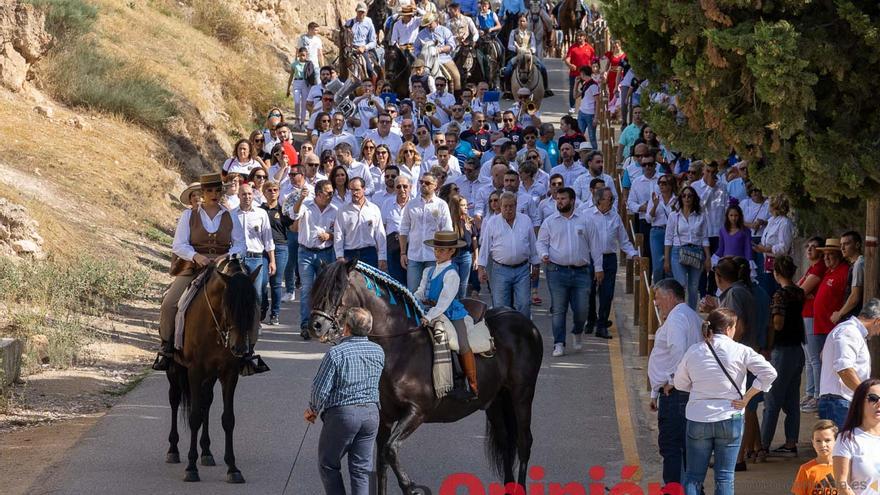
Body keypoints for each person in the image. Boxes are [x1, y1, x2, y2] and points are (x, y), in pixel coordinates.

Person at [674, 308, 777, 495]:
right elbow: (770, 373)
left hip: (699, 417)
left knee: (694, 477)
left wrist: (700, 390)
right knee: (724, 477)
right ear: (729, 328)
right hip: (730, 416)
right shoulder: (741, 350)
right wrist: (747, 397)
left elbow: (680, 383)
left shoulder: (694, 351)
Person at [153, 173, 247, 370]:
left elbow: (241, 245)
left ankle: (247, 350)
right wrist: (196, 256)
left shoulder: (231, 215)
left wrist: (226, 256)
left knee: (249, 301)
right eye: (209, 190)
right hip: (194, 266)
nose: (214, 194)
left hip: (224, 267)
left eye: (217, 190)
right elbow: (178, 245)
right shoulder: (189, 215)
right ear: (202, 193)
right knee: (170, 304)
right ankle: (167, 348)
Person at [305, 307, 384, 495]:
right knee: (361, 469)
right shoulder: (378, 351)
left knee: (329, 464)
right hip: (371, 414)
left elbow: (320, 387)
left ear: (346, 328)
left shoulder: (337, 353)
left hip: (343, 414)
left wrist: (313, 410)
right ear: (369, 329)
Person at [648, 279, 704, 488]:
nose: (655, 302)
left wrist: (671, 380)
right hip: (682, 392)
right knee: (686, 447)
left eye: (658, 298)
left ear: (670, 296)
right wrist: (655, 392)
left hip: (677, 394)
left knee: (672, 446)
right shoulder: (688, 316)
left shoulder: (677, 318)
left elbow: (679, 351)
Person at [537, 187, 602, 356]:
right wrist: (543, 254)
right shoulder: (549, 221)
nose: (559, 201)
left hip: (582, 272)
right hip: (557, 271)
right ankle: (559, 343)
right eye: (558, 199)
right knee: (559, 309)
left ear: (572, 200)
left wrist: (599, 268)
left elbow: (595, 246)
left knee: (581, 310)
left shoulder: (586, 220)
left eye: (563, 198)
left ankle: (577, 331)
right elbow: (541, 242)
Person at [415, 231, 480, 400]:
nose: (437, 252)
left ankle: (471, 383)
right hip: (428, 310)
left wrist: (429, 317)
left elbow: (444, 301)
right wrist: (412, 300)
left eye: (442, 250)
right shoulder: (428, 271)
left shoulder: (452, 274)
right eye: (436, 249)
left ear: (452, 251)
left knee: (461, 343)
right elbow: (421, 292)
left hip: (451, 313)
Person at [758, 255, 805, 460]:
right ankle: (790, 442)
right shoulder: (799, 292)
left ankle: (763, 445)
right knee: (792, 400)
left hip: (782, 350)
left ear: (776, 273)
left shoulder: (780, 295)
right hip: (797, 349)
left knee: (772, 401)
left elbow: (777, 324)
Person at [477, 191, 540, 318]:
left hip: (522, 269)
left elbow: (533, 245)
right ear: (500, 206)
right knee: (500, 307)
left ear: (516, 205)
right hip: (500, 270)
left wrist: (536, 266)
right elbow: (484, 248)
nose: (508, 209)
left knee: (524, 304)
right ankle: (503, 335)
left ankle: (524, 335)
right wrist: (481, 268)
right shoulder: (492, 223)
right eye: (505, 206)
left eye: (511, 206)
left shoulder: (525, 220)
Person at [818, 298, 880, 427]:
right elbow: (844, 369)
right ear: (877, 321)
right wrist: (867, 396)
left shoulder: (847, 331)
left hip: (840, 401)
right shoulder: (849, 332)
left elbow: (823, 356)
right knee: (843, 445)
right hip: (839, 402)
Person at [588, 186, 639, 339]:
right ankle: (591, 319)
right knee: (588, 292)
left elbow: (623, 240)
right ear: (599, 200)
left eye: (612, 198)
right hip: (590, 258)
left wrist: (633, 254)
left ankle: (602, 325)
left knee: (607, 293)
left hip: (609, 259)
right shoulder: (587, 215)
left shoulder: (615, 216)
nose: (611, 201)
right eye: (608, 198)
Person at [294, 180, 338, 339]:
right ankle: (305, 326)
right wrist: (300, 199)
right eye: (328, 193)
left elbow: (339, 234)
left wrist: (329, 236)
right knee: (307, 290)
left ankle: (322, 326)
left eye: (332, 193)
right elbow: (294, 214)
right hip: (305, 253)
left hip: (325, 254)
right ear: (318, 194)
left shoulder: (335, 210)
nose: (331, 195)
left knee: (324, 291)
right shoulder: (306, 205)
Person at [399, 172, 453, 291]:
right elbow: (403, 229)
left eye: (427, 183)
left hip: (434, 257)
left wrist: (445, 256)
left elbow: (447, 230)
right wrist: (403, 253)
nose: (423, 185)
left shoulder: (441, 205)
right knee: (413, 293)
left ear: (435, 185)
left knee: (432, 293)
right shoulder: (411, 204)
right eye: (421, 182)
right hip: (414, 256)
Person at [664, 186, 711, 309]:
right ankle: (679, 312)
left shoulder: (701, 216)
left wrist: (708, 258)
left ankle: (691, 313)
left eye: (690, 195)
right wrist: (667, 259)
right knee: (681, 284)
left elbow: (704, 238)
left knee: (694, 286)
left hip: (696, 251)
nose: (687, 198)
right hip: (678, 251)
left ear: (694, 198)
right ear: (680, 198)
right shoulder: (674, 216)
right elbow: (668, 238)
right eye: (684, 195)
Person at [233, 183, 276, 317]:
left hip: (256, 258)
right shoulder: (231, 214)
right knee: (238, 292)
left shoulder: (261, 213)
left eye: (250, 194)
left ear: (253, 195)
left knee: (257, 292)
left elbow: (268, 239)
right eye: (244, 194)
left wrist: (272, 261)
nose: (247, 197)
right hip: (237, 259)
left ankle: (255, 322)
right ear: (238, 195)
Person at [832, 378, 880, 495]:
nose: (879, 403)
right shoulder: (847, 439)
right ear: (859, 402)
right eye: (873, 398)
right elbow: (842, 484)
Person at [799, 237, 828, 413]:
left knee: (814, 359)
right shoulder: (812, 267)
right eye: (807, 246)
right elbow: (797, 290)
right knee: (809, 360)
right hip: (805, 314)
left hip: (811, 315)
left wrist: (802, 294)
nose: (809, 249)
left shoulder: (819, 268)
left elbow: (799, 291)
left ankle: (817, 395)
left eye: (814, 247)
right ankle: (810, 393)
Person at [814, 238, 852, 370]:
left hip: (831, 327)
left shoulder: (844, 271)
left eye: (830, 254)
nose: (826, 257)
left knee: (829, 365)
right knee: (819, 363)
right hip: (820, 326)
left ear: (839, 255)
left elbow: (849, 297)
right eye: (825, 254)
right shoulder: (829, 271)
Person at [334, 177, 387, 270]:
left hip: (369, 253)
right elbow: (339, 234)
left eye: (357, 190)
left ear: (364, 189)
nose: (354, 193)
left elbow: (380, 234)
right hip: (350, 253)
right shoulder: (343, 210)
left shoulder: (374, 209)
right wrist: (339, 256)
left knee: (370, 283)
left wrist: (382, 257)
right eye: (352, 190)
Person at [260, 181, 291, 326]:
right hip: (263, 248)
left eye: (275, 190)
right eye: (269, 190)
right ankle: (263, 305)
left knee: (276, 283)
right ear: (264, 192)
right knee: (262, 282)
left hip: (280, 247)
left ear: (279, 192)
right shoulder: (259, 210)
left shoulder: (283, 210)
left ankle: (275, 313)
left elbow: (292, 226)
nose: (272, 192)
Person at [501, 14, 551, 97]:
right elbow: (510, 45)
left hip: (528, 55)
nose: (522, 23)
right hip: (518, 55)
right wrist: (517, 49)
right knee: (508, 70)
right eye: (520, 21)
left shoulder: (530, 33)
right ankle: (508, 90)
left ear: (527, 23)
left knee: (542, 68)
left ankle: (546, 88)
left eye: (524, 21)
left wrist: (531, 50)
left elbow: (533, 46)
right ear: (518, 22)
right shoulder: (514, 32)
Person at [754, 194, 794, 295]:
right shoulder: (772, 220)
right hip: (768, 263)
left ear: (775, 206)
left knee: (776, 292)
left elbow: (784, 247)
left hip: (779, 265)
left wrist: (766, 249)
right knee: (767, 291)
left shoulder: (785, 223)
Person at [415, 15, 460, 95]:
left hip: (443, 58)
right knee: (412, 75)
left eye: (430, 24)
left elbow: (452, 45)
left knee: (456, 76)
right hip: (426, 60)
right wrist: (421, 56)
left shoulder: (444, 30)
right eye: (426, 24)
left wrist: (441, 49)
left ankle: (456, 97)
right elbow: (416, 48)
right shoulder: (421, 34)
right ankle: (412, 94)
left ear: (436, 21)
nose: (428, 26)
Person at [790, 420, 838, 495]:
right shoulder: (806, 469)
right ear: (813, 443)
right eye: (818, 441)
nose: (823, 445)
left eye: (827, 440)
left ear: (836, 441)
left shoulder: (844, 467)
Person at [646, 173, 676, 283]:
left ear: (671, 185)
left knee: (670, 265)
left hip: (672, 233)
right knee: (658, 266)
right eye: (660, 183)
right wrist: (655, 205)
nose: (661, 185)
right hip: (657, 232)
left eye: (664, 183)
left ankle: (670, 293)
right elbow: (648, 219)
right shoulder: (655, 199)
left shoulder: (677, 200)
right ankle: (658, 292)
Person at [448, 194, 478, 299]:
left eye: (466, 205)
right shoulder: (450, 222)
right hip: (453, 256)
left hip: (466, 255)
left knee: (463, 285)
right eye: (462, 205)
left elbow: (474, 239)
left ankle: (461, 309)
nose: (465, 207)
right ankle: (453, 308)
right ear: (456, 206)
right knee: (453, 284)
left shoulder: (469, 220)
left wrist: (476, 258)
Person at [834, 231, 865, 323]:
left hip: (856, 317)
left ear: (857, 245)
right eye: (841, 245)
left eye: (846, 244)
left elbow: (855, 296)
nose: (842, 248)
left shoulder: (859, 263)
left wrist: (839, 314)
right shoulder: (855, 264)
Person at [564, 30, 595, 114]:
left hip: (586, 74)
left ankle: (585, 106)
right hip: (575, 74)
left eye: (581, 36)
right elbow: (567, 59)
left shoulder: (590, 48)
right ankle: (572, 106)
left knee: (587, 90)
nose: (579, 37)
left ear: (584, 37)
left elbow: (594, 61)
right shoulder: (573, 47)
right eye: (577, 36)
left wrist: (594, 70)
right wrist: (570, 65)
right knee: (572, 90)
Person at [348, 3, 379, 79]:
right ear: (356, 11)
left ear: (366, 12)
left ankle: (372, 85)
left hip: (362, 49)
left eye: (363, 12)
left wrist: (364, 47)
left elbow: (373, 41)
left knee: (369, 69)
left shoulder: (369, 22)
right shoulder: (349, 23)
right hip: (350, 49)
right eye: (359, 11)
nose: (361, 14)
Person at [287, 47, 315, 130]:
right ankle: (297, 120)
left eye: (304, 55)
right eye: (301, 55)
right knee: (296, 102)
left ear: (306, 55)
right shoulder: (295, 64)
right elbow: (291, 76)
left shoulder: (309, 64)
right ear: (298, 54)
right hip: (297, 82)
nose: (302, 57)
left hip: (305, 83)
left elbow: (311, 76)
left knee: (304, 104)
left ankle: (302, 123)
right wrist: (288, 88)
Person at [575, 65, 600, 150]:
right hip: (582, 112)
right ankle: (579, 152)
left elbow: (597, 101)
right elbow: (575, 96)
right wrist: (576, 84)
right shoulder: (585, 84)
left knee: (592, 136)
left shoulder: (594, 85)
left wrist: (596, 117)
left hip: (590, 114)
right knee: (579, 135)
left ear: (582, 74)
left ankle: (595, 153)